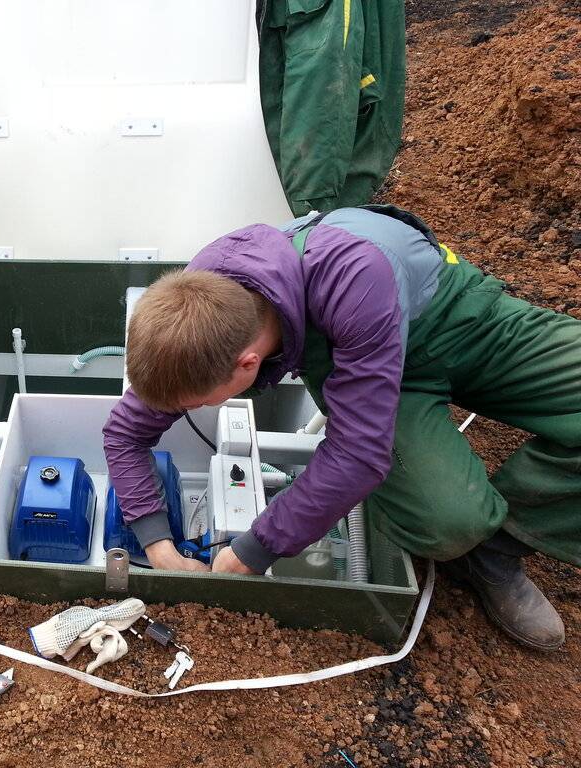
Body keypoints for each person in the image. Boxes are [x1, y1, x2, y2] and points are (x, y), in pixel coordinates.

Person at [104, 205, 581, 651]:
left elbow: (356, 453)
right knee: (450, 521)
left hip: (462, 323)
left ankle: (509, 531)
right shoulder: (200, 317)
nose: (198, 408)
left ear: (248, 363)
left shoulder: (352, 278)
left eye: (200, 402)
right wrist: (158, 545)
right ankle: (485, 550)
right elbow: (125, 432)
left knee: (372, 465)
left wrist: (251, 550)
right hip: (366, 367)